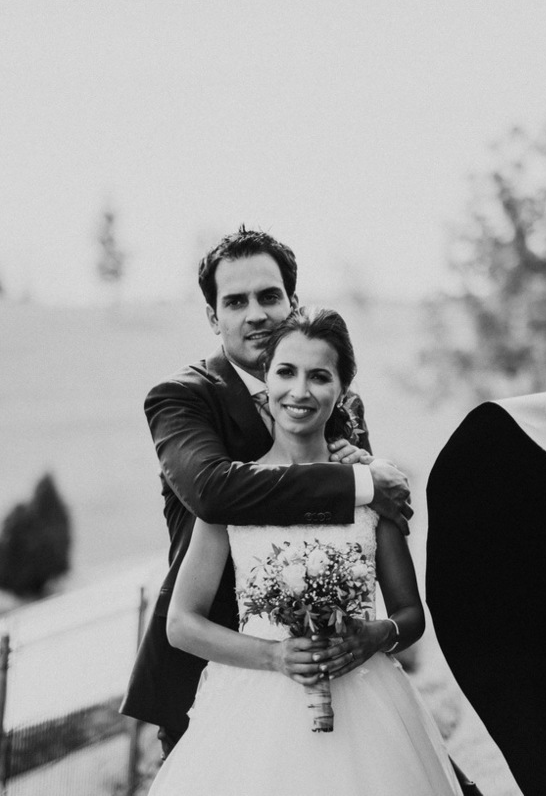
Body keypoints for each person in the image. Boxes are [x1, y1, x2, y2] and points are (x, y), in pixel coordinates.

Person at [119, 228, 415, 750]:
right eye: (236, 301)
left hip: (344, 676)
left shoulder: (340, 403)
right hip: (218, 679)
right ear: (213, 317)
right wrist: (361, 480)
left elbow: (368, 531)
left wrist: (374, 631)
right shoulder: (182, 398)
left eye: (269, 296)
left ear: (292, 301)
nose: (256, 314)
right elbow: (213, 492)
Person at [147, 306, 463, 795]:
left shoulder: (373, 492)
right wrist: (275, 656)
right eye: (286, 372)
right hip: (252, 712)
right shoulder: (232, 497)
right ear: (265, 382)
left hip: (367, 707)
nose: (300, 391)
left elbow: (411, 615)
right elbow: (181, 624)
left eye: (319, 376)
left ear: (341, 391)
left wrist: (376, 634)